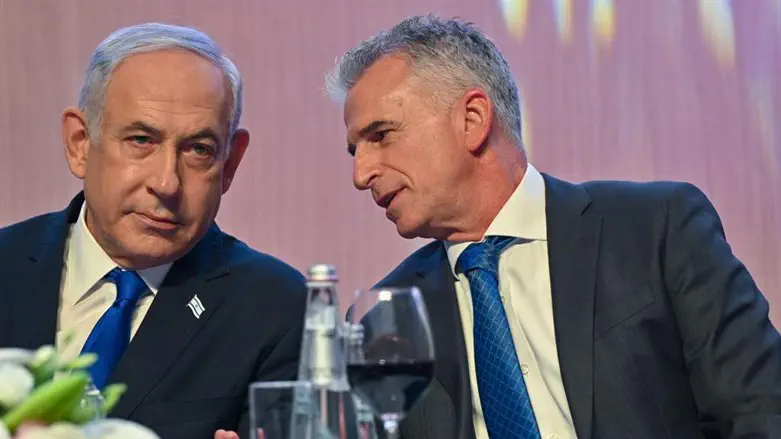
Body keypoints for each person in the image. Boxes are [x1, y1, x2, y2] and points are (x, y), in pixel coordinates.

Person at [325, 14, 781, 439]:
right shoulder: (383, 321)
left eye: (381, 135)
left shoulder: (656, 231)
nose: (361, 174)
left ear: (472, 120)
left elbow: (760, 412)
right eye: (354, 151)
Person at [0, 23, 307, 438]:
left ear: (229, 164)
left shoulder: (275, 308)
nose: (167, 183)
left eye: (199, 150)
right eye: (141, 140)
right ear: (79, 143)